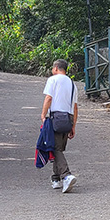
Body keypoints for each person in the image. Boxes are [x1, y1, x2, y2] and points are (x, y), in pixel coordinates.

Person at [38, 59, 78, 193]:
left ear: (56, 68)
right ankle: (56, 178)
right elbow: (75, 107)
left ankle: (66, 175)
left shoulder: (53, 80)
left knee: (54, 148)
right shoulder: (72, 84)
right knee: (58, 148)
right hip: (68, 118)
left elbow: (48, 98)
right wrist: (73, 126)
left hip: (56, 118)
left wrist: (43, 115)